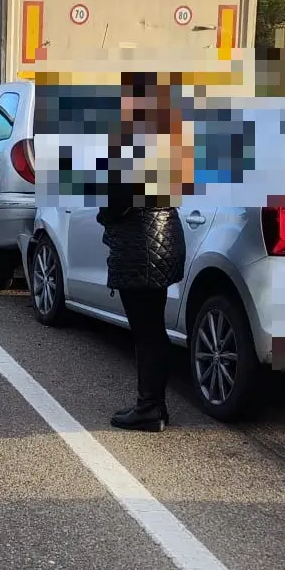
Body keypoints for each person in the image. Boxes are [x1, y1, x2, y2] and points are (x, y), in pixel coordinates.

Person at [100, 74, 189, 432]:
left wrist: (105, 214)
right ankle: (155, 405)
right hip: (165, 234)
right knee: (154, 327)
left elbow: (119, 197)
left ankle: (150, 407)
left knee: (146, 329)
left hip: (138, 240)